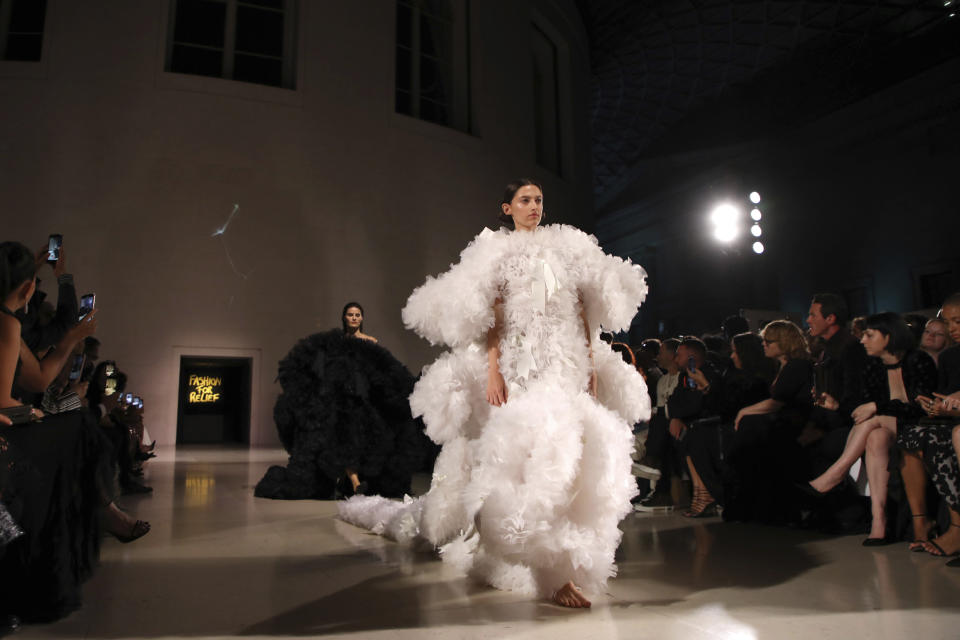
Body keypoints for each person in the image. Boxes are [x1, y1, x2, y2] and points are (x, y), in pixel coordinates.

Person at [338, 179, 650, 608]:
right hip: (521, 369)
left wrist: (591, 365)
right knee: (529, 453)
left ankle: (566, 563)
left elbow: (581, 313)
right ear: (507, 208)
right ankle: (545, 569)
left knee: (575, 451)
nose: (534, 206)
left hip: (566, 364)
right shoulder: (497, 253)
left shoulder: (567, 247)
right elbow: (493, 320)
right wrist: (493, 373)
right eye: (525, 200)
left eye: (539, 199)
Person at [255, 302, 428, 500]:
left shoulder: (370, 342)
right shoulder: (335, 343)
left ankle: (354, 483)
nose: (354, 318)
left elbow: (378, 368)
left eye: (357, 315)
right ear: (344, 317)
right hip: (338, 401)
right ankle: (354, 483)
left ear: (362, 318)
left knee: (358, 441)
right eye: (350, 314)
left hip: (361, 400)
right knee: (340, 442)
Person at [806, 312, 937, 543]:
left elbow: (922, 407)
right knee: (875, 436)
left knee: (873, 420)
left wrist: (877, 406)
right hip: (887, 429)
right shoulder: (873, 367)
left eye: (869, 334)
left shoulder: (918, 360)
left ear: (888, 336)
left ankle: (838, 473)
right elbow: (861, 409)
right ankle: (879, 521)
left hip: (921, 425)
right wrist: (838, 406)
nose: (862, 340)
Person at [723, 320, 814, 523]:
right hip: (784, 421)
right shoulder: (782, 367)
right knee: (747, 432)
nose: (764, 344)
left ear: (784, 342)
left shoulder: (797, 366)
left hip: (796, 423)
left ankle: (751, 503)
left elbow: (777, 402)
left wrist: (744, 412)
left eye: (769, 341)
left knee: (749, 429)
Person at [684, 332, 777, 516]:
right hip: (733, 422)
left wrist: (708, 387)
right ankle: (706, 493)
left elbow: (732, 406)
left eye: (736, 352)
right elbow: (724, 406)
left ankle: (712, 494)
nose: (732, 356)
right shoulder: (734, 373)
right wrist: (707, 388)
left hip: (748, 426)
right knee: (693, 434)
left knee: (699, 435)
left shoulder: (758, 379)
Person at [898, 294, 960, 553]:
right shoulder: (949, 357)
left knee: (939, 438)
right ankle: (921, 522)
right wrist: (935, 407)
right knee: (911, 435)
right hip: (952, 420)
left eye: (957, 321)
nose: (952, 328)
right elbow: (946, 395)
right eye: (948, 322)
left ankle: (957, 529)